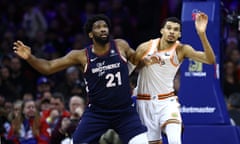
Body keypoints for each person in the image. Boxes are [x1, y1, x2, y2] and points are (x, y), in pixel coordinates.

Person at [13, 14, 148, 144]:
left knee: (142, 142)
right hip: (97, 112)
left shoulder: (120, 45)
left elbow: (136, 61)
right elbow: (48, 67)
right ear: (90, 34)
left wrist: (147, 58)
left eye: (105, 26)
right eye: (98, 27)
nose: (103, 29)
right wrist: (30, 58)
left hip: (124, 111)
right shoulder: (80, 56)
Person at [135, 12, 216, 144]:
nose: (172, 32)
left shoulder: (181, 50)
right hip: (145, 103)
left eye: (176, 30)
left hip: (167, 102)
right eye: (169, 28)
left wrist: (201, 34)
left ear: (179, 35)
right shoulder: (145, 47)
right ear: (162, 30)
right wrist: (144, 63)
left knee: (174, 141)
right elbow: (130, 69)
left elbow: (210, 60)